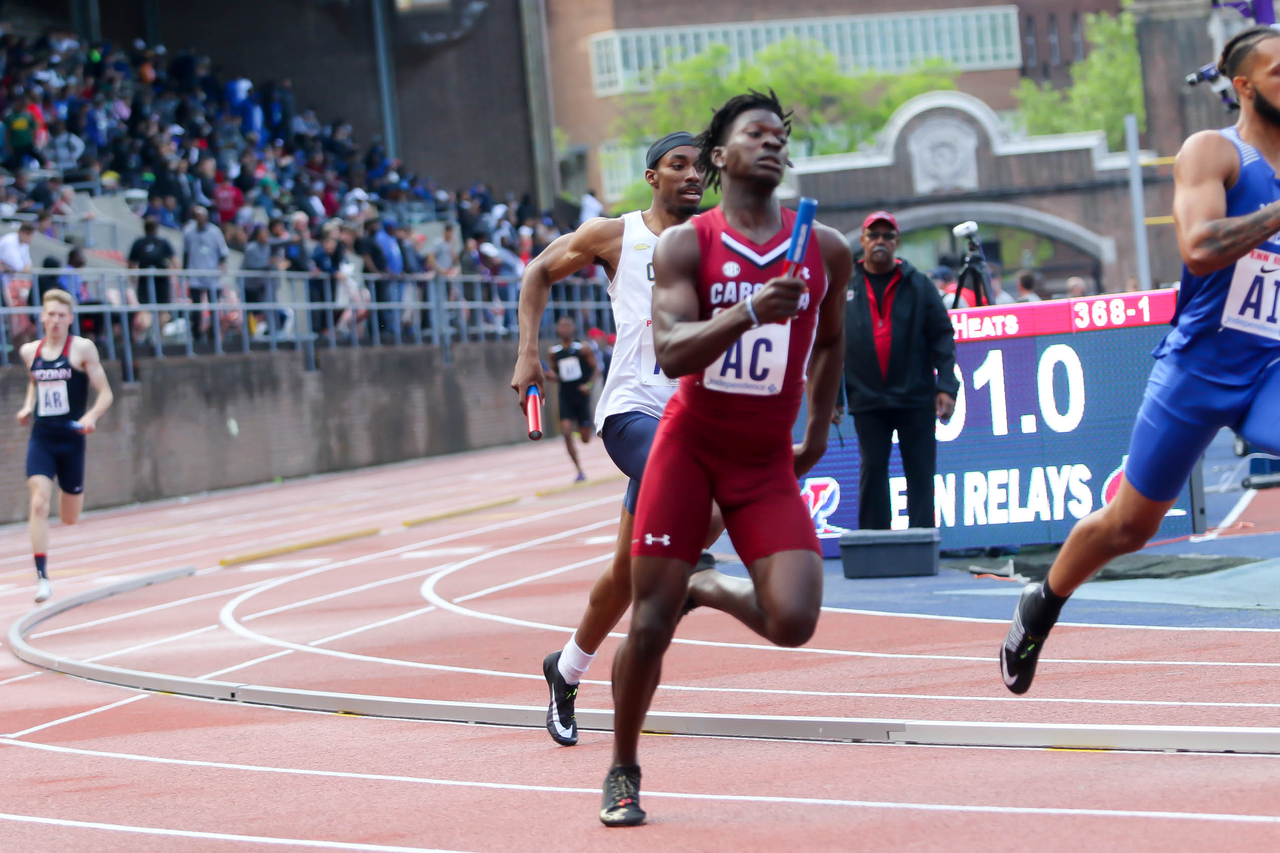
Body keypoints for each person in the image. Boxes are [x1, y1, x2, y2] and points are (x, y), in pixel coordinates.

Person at [999, 26, 1280, 694]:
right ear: (1242, 85)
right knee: (1129, 524)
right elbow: (1200, 247)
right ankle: (1043, 602)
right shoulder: (1214, 152)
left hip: (1270, 366)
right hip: (1199, 368)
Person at [601, 90, 852, 827]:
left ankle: (705, 587)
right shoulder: (689, 244)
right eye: (755, 133)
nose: (772, 143)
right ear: (722, 155)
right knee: (647, 621)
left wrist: (814, 426)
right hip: (691, 449)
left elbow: (832, 339)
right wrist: (748, 310)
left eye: (781, 135)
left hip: (764, 459)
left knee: (795, 618)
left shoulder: (824, 248)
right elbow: (673, 352)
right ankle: (622, 767)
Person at [511, 130, 725, 748]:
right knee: (700, 489)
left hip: (694, 417)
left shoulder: (720, 242)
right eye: (676, 166)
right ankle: (682, 574)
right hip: (632, 412)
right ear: (652, 177)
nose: (691, 175)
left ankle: (566, 669)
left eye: (698, 169)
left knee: (623, 574)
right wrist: (529, 352)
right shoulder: (615, 235)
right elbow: (537, 272)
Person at [840, 210, 957, 530]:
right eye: (873, 235)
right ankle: (874, 546)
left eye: (887, 236)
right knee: (873, 472)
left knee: (920, 473)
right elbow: (830, 344)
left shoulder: (918, 284)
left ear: (897, 242)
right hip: (867, 398)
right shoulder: (843, 284)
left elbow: (942, 336)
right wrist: (833, 397)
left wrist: (946, 386)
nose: (880, 242)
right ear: (862, 240)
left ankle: (922, 544)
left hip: (916, 397)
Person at [15, 289, 114, 603]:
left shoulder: (82, 349)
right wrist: (28, 406)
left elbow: (106, 393)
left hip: (72, 440)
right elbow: (34, 383)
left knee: (69, 516)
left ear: (70, 318)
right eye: (50, 314)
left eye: (61, 315)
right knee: (39, 503)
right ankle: (42, 577)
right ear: (42, 316)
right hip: (42, 438)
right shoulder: (31, 351)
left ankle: (68, 499)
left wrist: (91, 416)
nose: (55, 320)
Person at [544, 316, 597, 481]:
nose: (565, 329)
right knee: (566, 432)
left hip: (581, 396)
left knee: (586, 439)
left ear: (573, 328)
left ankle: (581, 427)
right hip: (565, 396)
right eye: (562, 326)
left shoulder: (583, 349)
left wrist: (588, 385)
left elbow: (597, 370)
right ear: (558, 330)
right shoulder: (554, 352)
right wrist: (551, 376)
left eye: (568, 326)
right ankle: (579, 470)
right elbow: (555, 374)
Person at [182, 205, 230, 341]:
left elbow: (223, 252)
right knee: (196, 306)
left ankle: (213, 335)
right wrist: (185, 271)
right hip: (195, 274)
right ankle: (197, 335)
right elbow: (186, 252)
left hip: (212, 275)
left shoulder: (215, 231)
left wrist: (221, 264)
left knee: (214, 306)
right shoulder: (189, 232)